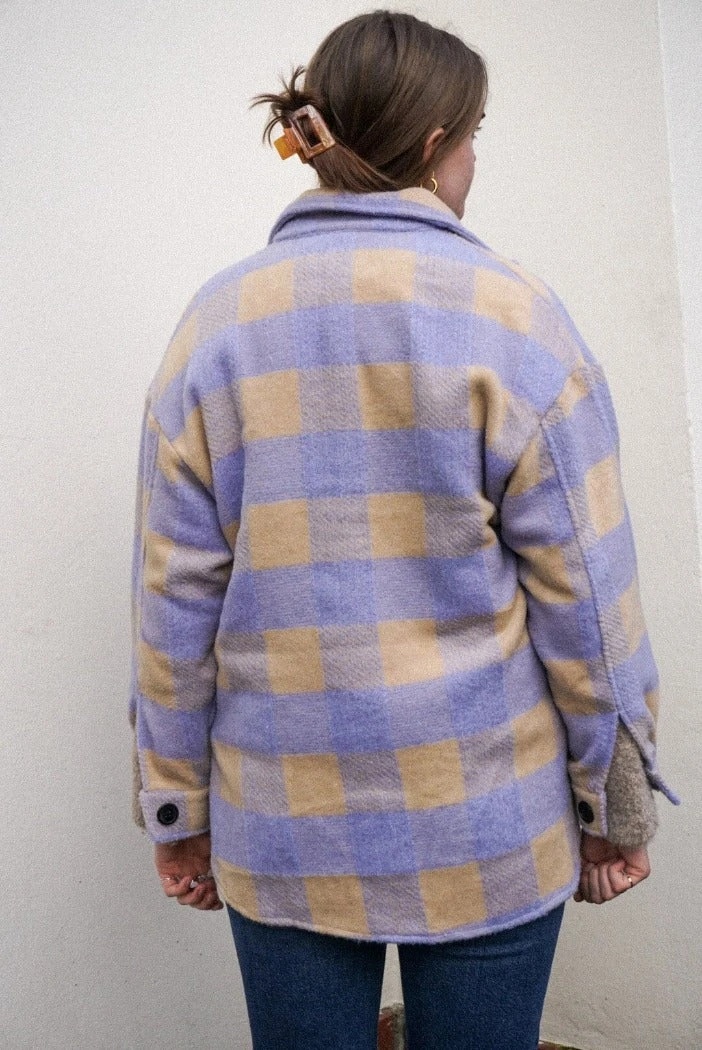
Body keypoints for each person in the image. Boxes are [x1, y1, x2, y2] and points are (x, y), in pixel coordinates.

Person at [130, 11, 677, 1049]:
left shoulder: (215, 326)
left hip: (284, 831)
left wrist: (177, 807)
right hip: (488, 826)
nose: (474, 160)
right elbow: (590, 601)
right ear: (434, 145)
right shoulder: (515, 317)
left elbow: (171, 604)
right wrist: (616, 807)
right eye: (473, 136)